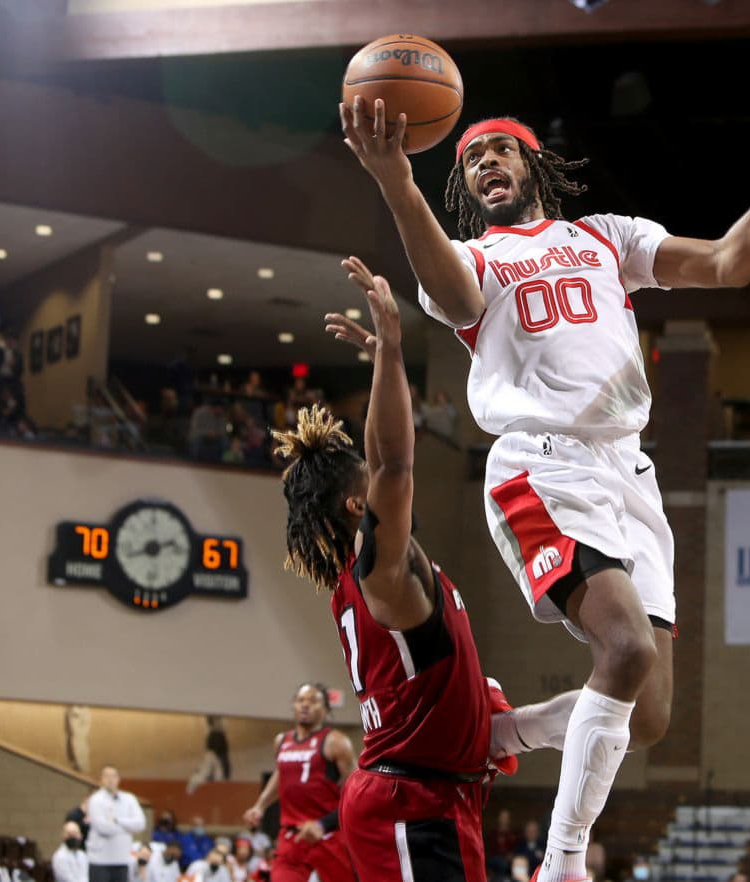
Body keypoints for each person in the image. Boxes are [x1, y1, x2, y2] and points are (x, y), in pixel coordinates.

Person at [341, 97, 750, 882]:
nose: (484, 162)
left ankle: (504, 733)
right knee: (624, 647)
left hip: (629, 470)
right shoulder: (469, 257)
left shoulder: (604, 237)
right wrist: (394, 180)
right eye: (471, 158)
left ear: (533, 164)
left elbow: (728, 264)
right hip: (538, 466)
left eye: (498, 150)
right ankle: (562, 862)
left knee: (648, 714)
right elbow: (452, 302)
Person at [274, 256, 501, 880]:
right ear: (358, 506)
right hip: (410, 800)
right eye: (367, 486)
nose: (380, 484)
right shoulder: (378, 571)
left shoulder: (371, 571)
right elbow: (395, 465)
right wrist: (396, 351)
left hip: (423, 794)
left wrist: (383, 366)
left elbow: (381, 456)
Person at [242, 684, 355, 882]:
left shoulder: (336, 742)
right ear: (293, 705)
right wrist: (259, 806)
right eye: (301, 700)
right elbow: (281, 775)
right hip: (292, 835)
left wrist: (324, 823)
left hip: (329, 835)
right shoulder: (282, 741)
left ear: (326, 710)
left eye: (312, 701)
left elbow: (357, 791)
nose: (305, 705)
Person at [85, 766, 145, 882]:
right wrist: (128, 829)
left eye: (113, 776)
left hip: (122, 859)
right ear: (101, 779)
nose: (110, 779)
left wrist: (117, 820)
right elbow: (103, 828)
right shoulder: (95, 800)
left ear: (118, 779)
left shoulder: (129, 799)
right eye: (106, 776)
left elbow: (141, 824)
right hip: (100, 861)